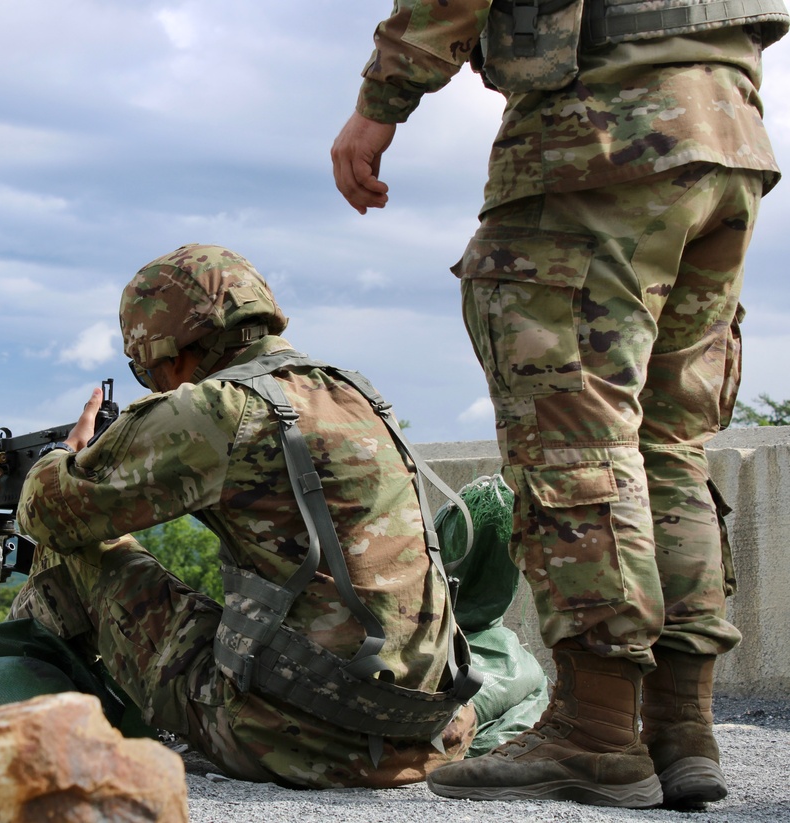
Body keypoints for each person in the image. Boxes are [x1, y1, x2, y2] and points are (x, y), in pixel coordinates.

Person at [331, 0, 788, 810]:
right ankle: (683, 729)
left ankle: (598, 735)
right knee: (668, 444)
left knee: (577, 437)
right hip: (729, 128)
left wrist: (379, 105)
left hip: (604, 128)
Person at [10, 243, 484, 788]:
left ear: (171, 354)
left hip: (298, 741)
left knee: (81, 548)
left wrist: (60, 460)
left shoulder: (220, 409)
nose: (159, 385)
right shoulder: (355, 392)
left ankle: (37, 721)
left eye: (148, 372)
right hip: (423, 730)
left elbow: (50, 511)